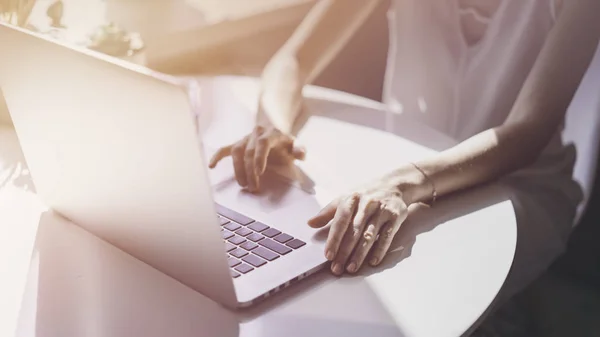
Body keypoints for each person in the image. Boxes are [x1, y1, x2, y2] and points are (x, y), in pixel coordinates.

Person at [209, 0, 600, 333]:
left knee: (394, 289)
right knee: (326, 268)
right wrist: (273, 127)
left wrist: (403, 185)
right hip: (396, 162)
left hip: (514, 184)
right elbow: (292, 59)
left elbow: (526, 133)